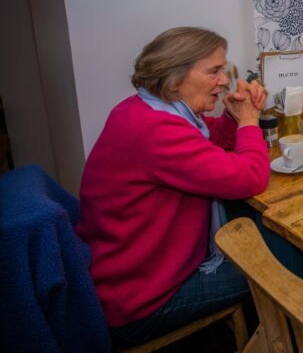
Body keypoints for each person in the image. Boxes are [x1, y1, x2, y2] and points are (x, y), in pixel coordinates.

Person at [75, 27, 270, 346]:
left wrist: (233, 119)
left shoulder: (146, 110)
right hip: (141, 301)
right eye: (215, 71)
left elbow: (209, 149)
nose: (224, 80)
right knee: (277, 269)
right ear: (175, 77)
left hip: (125, 277)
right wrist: (249, 122)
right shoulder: (157, 130)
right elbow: (251, 176)